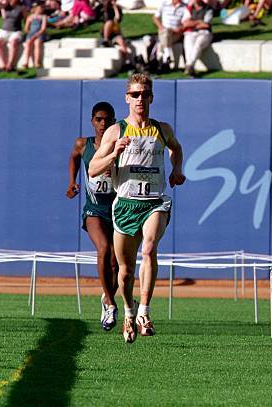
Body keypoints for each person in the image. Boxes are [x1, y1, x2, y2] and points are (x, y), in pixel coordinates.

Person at [89, 74, 185, 344]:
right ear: (127, 98)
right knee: (126, 269)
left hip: (155, 202)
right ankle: (128, 314)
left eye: (144, 94)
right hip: (126, 204)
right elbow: (94, 169)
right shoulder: (116, 131)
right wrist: (113, 154)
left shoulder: (161, 129)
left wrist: (177, 170)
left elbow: (176, 149)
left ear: (151, 97)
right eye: (135, 94)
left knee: (150, 248)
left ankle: (144, 311)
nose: (140, 99)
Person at [66, 102, 120, 331]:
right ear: (92, 120)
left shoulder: (120, 145)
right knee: (104, 250)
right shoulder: (83, 144)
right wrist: (72, 182)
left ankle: (107, 297)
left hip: (118, 210)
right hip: (94, 210)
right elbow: (74, 158)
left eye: (107, 119)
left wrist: (117, 168)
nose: (103, 123)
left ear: (114, 122)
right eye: (99, 119)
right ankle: (110, 303)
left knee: (117, 264)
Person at [181, 0, 213, 77]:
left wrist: (192, 23)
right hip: (191, 33)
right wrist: (199, 21)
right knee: (188, 46)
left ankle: (189, 65)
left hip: (204, 33)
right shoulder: (189, 9)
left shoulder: (208, 9)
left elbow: (206, 25)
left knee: (197, 45)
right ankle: (190, 67)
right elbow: (185, 23)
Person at [152, 0, 186, 71]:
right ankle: (166, 57)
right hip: (164, 32)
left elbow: (185, 23)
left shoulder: (184, 7)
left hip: (176, 34)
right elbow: (155, 18)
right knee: (165, 32)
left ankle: (165, 58)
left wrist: (179, 29)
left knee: (163, 38)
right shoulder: (164, 4)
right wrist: (161, 27)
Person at [0, 0, 27, 71]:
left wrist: (27, 30)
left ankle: (10, 64)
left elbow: (26, 20)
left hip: (16, 31)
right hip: (4, 30)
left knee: (13, 42)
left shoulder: (21, 8)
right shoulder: (5, 6)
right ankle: (4, 63)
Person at [22, 2, 47, 69]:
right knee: (28, 44)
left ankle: (36, 62)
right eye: (40, 8)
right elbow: (26, 29)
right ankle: (26, 62)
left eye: (42, 8)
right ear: (36, 9)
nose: (42, 9)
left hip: (39, 34)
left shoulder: (43, 17)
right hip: (31, 34)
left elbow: (43, 28)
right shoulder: (30, 17)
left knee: (37, 44)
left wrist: (36, 35)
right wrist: (30, 34)